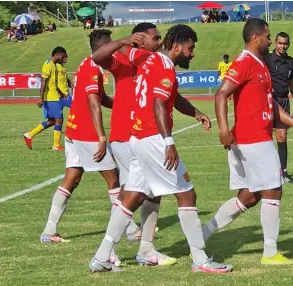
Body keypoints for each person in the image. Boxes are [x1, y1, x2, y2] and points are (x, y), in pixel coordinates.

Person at [89, 24, 233, 274]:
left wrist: (195, 112)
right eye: (190, 48)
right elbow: (158, 104)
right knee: (187, 195)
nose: (192, 53)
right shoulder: (164, 65)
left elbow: (171, 97)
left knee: (131, 197)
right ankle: (200, 260)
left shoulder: (148, 61)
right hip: (152, 138)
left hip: (137, 137)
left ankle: (102, 256)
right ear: (177, 46)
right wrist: (169, 143)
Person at [201, 18, 293, 265]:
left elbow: (269, 104)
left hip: (259, 137)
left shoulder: (260, 64)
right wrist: (223, 129)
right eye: (268, 36)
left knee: (249, 196)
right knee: (274, 188)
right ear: (255, 38)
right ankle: (270, 253)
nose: (270, 41)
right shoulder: (243, 63)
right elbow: (221, 94)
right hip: (252, 139)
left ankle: (201, 235)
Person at [40, 30, 119, 248]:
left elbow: (101, 98)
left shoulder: (87, 63)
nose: (114, 50)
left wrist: (122, 104)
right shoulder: (93, 68)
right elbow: (94, 103)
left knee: (72, 179)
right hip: (87, 132)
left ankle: (49, 230)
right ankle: (130, 230)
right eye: (111, 46)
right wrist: (102, 136)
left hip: (74, 131)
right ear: (102, 47)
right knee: (114, 180)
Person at [91, 23, 164, 250]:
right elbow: (98, 57)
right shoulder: (122, 60)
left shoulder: (154, 62)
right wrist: (124, 41)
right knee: (131, 193)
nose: (159, 42)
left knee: (153, 192)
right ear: (140, 38)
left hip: (147, 135)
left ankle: (145, 247)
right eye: (155, 37)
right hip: (124, 135)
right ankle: (108, 251)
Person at [264, 32, 293, 183]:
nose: (282, 46)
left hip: (284, 101)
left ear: (288, 44)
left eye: (285, 44)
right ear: (275, 43)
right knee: (265, 137)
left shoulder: (290, 62)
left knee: (282, 136)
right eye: (280, 43)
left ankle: (283, 172)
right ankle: (266, 172)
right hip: (268, 101)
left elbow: (291, 83)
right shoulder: (267, 59)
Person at [23, 47, 68, 151]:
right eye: (63, 56)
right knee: (59, 119)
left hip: (56, 96)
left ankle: (29, 135)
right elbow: (43, 82)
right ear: (57, 55)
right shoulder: (48, 64)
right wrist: (41, 99)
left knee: (52, 121)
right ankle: (56, 146)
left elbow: (54, 82)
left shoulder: (54, 65)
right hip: (51, 97)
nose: (64, 58)